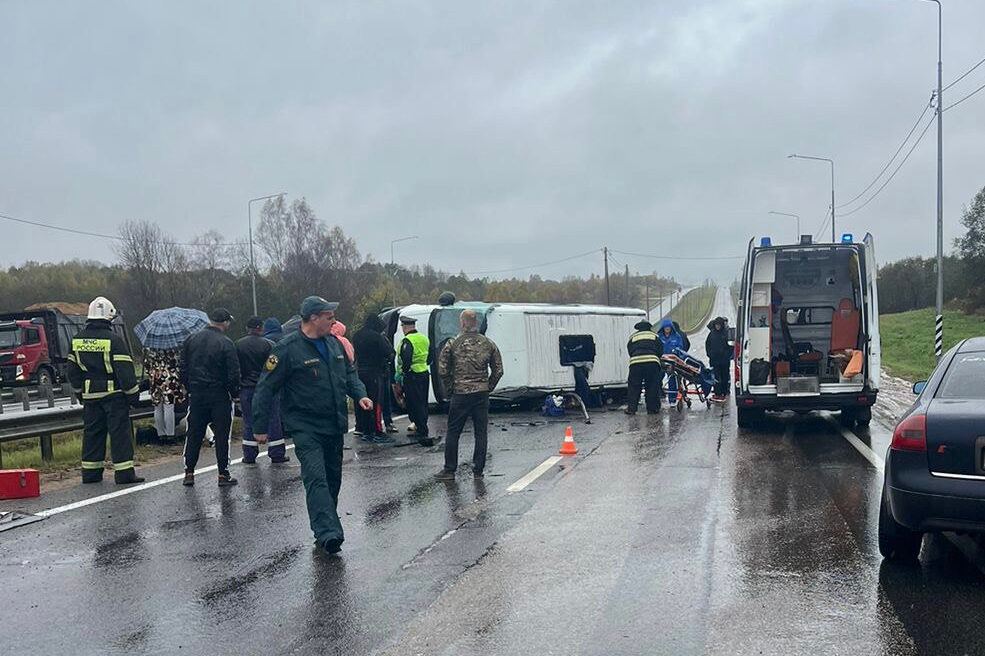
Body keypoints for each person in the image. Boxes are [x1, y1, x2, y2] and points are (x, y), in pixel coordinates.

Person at [252, 296, 372, 555]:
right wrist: (259, 427)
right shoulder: (286, 349)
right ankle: (328, 532)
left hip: (334, 422)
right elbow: (265, 387)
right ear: (313, 318)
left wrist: (360, 394)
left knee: (332, 479)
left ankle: (323, 524)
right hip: (305, 426)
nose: (334, 321)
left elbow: (349, 375)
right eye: (329, 317)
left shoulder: (334, 344)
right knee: (316, 477)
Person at [66, 297, 144, 484]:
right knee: (120, 435)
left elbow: (72, 372)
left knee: (92, 434)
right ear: (109, 317)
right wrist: (133, 396)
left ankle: (91, 474)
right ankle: (124, 474)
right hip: (114, 397)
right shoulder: (114, 341)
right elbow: (125, 373)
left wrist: (80, 393)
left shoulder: (77, 340)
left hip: (90, 396)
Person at [435, 309, 503, 479]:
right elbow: (498, 370)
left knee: (453, 431)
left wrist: (451, 388)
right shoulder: (488, 343)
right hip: (481, 393)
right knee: (481, 432)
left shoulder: (453, 343)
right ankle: (478, 470)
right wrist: (488, 386)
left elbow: (442, 369)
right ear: (476, 323)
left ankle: (450, 469)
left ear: (462, 323)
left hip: (460, 393)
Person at [181, 307, 241, 487]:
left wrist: (188, 387)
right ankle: (223, 474)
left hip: (197, 394)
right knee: (223, 436)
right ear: (225, 322)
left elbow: (183, 366)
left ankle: (189, 472)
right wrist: (234, 393)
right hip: (219, 395)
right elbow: (233, 372)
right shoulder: (226, 342)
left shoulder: (191, 339)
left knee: (193, 434)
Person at [237, 316, 289, 464]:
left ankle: (249, 454)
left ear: (247, 329)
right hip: (268, 388)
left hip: (246, 388)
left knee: (248, 420)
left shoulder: (238, 345)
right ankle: (277, 453)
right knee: (273, 418)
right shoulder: (270, 345)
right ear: (261, 328)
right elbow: (276, 367)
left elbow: (236, 367)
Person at [352, 313, 395, 443]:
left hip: (360, 372)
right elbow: (389, 352)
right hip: (375, 373)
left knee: (363, 403)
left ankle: (365, 430)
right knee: (376, 403)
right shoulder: (377, 337)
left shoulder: (357, 335)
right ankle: (377, 431)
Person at [397, 315, 433, 447]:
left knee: (413, 402)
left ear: (405, 327)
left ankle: (421, 429)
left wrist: (403, 373)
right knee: (422, 401)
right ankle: (422, 425)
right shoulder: (424, 338)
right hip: (424, 372)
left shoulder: (407, 341)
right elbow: (430, 358)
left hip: (412, 375)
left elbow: (406, 359)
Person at [144, 346, 187, 442]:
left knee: (157, 407)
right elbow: (175, 363)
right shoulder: (171, 347)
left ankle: (161, 434)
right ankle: (170, 434)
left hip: (154, 379)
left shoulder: (149, 348)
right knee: (169, 407)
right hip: (168, 379)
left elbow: (146, 365)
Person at [626, 320, 663, 415]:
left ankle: (631, 409)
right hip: (652, 363)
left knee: (634, 386)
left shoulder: (633, 337)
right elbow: (660, 350)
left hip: (636, 363)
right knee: (652, 386)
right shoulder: (654, 336)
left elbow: (630, 350)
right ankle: (652, 409)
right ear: (649, 327)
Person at [658, 319, 685, 406]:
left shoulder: (676, 336)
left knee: (672, 379)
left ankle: (672, 399)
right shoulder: (659, 337)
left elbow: (680, 347)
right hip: (661, 361)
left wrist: (675, 352)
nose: (667, 329)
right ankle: (657, 396)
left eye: (668, 328)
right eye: (665, 328)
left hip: (672, 361)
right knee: (657, 379)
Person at [705, 316, 732, 401]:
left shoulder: (726, 333)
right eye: (716, 325)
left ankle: (724, 391)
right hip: (714, 360)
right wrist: (709, 354)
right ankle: (717, 393)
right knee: (715, 377)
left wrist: (727, 355)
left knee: (724, 376)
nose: (717, 326)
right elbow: (707, 344)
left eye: (719, 325)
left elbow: (731, 346)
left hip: (724, 360)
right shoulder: (712, 334)